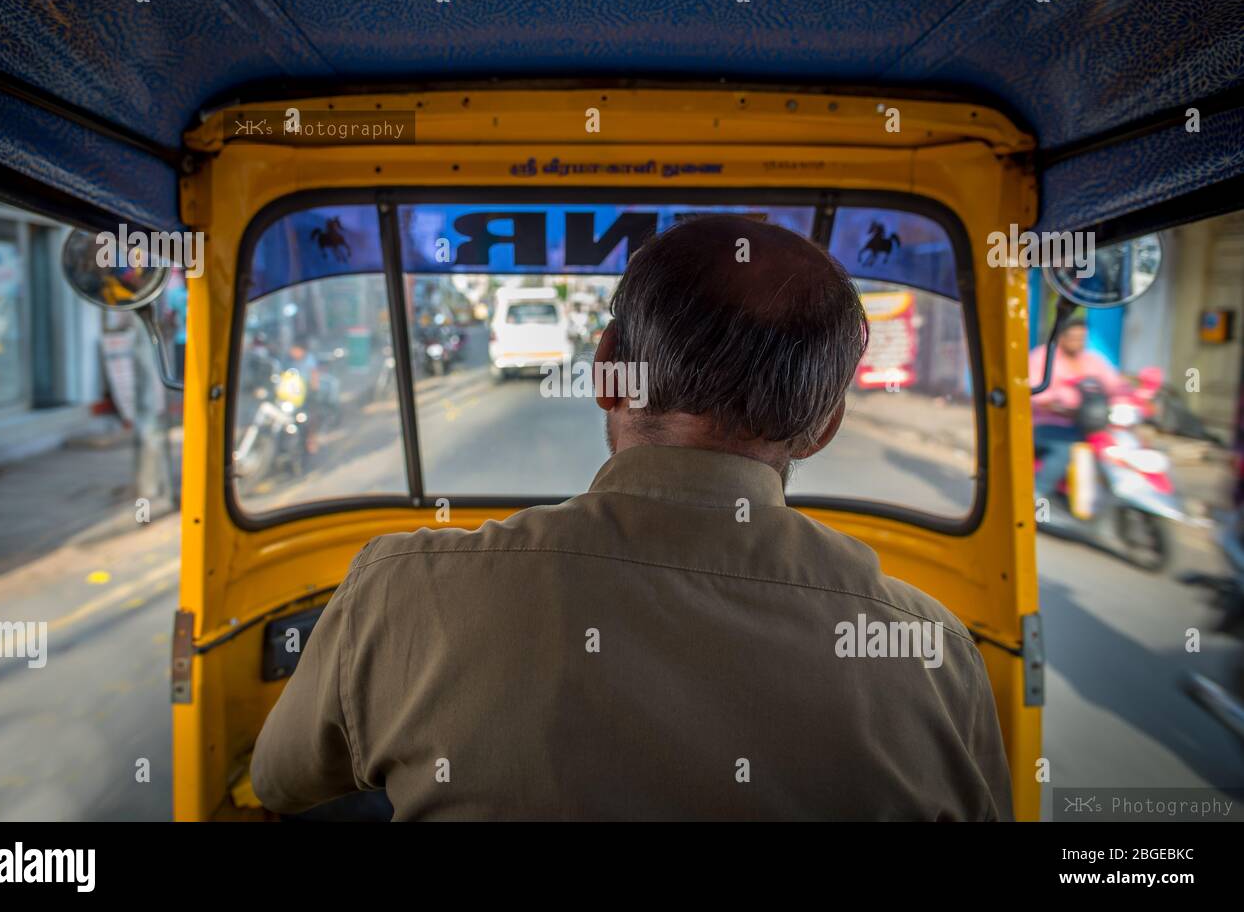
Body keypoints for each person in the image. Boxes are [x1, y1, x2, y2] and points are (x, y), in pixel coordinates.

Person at [251, 215, 1014, 820]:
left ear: (609, 366)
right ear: (825, 425)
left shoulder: (400, 592)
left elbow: (276, 784)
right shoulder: (931, 661)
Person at [1028, 316, 1128, 502]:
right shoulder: (1043, 357)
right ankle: (1036, 497)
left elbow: (1115, 385)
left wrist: (1132, 397)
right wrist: (1059, 406)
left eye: (1081, 338)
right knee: (1065, 450)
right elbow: (1035, 392)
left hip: (1090, 426)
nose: (1078, 342)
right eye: (1073, 337)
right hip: (1048, 426)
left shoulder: (1093, 360)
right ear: (1061, 337)